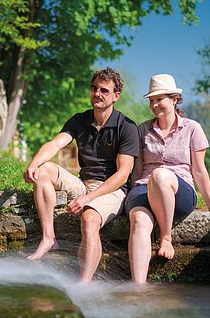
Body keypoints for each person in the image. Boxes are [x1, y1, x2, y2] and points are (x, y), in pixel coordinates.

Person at [23, 67, 139, 283]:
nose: (97, 93)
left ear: (116, 96)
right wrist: (34, 164)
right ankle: (48, 238)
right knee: (44, 171)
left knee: (89, 219)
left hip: (113, 190)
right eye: (94, 88)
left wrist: (88, 199)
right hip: (84, 184)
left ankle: (83, 285)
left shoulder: (126, 127)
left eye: (104, 90)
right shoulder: (80, 120)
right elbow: (56, 144)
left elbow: (123, 175)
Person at [125, 74, 210, 284]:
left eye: (159, 99)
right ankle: (138, 289)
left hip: (179, 193)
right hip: (144, 189)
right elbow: (136, 170)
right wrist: (127, 196)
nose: (154, 105)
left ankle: (166, 238)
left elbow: (199, 170)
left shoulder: (192, 128)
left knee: (161, 175)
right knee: (139, 221)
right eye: (151, 100)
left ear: (174, 99)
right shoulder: (142, 130)